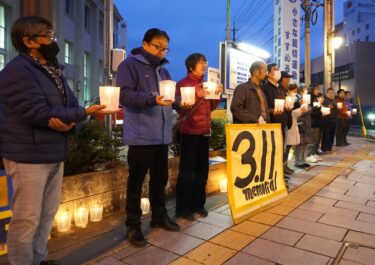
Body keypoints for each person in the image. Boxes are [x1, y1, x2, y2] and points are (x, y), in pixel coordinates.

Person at [0, 16, 106, 265]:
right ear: (28, 41)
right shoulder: (17, 72)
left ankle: (39, 259)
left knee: (47, 215)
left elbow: (70, 107)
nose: (54, 41)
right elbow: (36, 112)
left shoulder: (53, 69)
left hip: (54, 152)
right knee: (26, 220)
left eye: (53, 35)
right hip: (27, 156)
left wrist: (72, 121)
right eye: (48, 36)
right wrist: (82, 114)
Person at [116, 28, 180, 247]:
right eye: (158, 47)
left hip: (161, 136)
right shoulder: (129, 65)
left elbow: (173, 98)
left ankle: (159, 216)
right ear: (145, 44)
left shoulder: (164, 71)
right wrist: (153, 99)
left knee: (159, 180)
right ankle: (133, 225)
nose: (162, 52)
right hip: (141, 136)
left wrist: (186, 100)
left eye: (165, 48)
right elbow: (123, 95)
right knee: (136, 182)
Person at [174, 53, 222, 220]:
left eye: (205, 62)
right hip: (189, 133)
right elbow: (180, 108)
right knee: (187, 172)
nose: (204, 65)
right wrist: (198, 94)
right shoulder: (182, 84)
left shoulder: (206, 83)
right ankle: (183, 208)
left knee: (202, 170)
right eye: (201, 63)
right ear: (191, 66)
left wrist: (217, 94)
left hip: (204, 132)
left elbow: (212, 107)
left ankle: (198, 204)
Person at [294, 85, 313, 168]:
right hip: (300, 123)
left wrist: (309, 108)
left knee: (305, 144)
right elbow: (298, 111)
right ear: (301, 91)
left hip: (306, 123)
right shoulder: (297, 99)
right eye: (305, 91)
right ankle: (298, 162)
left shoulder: (306, 100)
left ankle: (303, 160)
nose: (306, 92)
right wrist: (307, 109)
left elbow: (309, 109)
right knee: (300, 144)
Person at [306, 84, 323, 163]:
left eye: (318, 89)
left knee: (316, 139)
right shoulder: (309, 98)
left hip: (317, 121)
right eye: (316, 89)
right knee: (311, 139)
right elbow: (310, 111)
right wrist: (318, 110)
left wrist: (319, 107)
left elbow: (317, 109)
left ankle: (313, 153)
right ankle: (308, 155)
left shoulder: (316, 98)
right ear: (312, 89)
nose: (317, 90)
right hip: (312, 122)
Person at [321, 88, 337, 152]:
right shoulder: (324, 100)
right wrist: (328, 107)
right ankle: (324, 148)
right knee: (326, 134)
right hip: (327, 119)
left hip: (334, 119)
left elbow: (336, 110)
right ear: (326, 93)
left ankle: (329, 147)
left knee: (332, 134)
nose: (331, 94)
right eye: (330, 93)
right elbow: (322, 108)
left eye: (332, 93)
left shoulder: (333, 100)